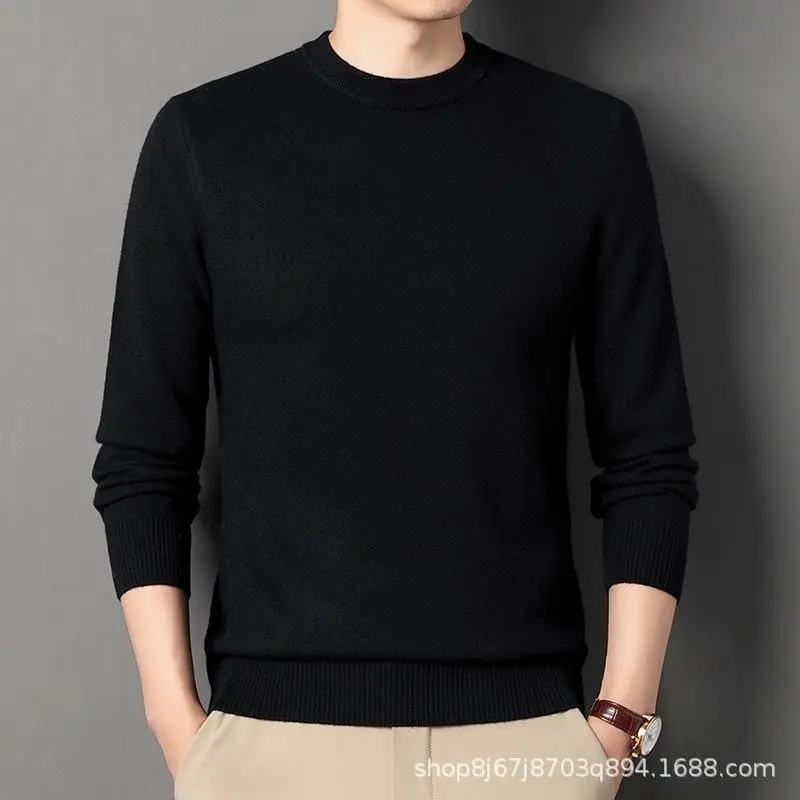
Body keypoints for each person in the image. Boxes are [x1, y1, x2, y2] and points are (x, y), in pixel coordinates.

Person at [91, 1, 700, 798]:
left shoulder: (587, 138)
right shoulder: (206, 138)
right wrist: (177, 723)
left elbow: (648, 458)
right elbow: (142, 460)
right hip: (271, 749)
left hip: (525, 750)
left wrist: (619, 725)